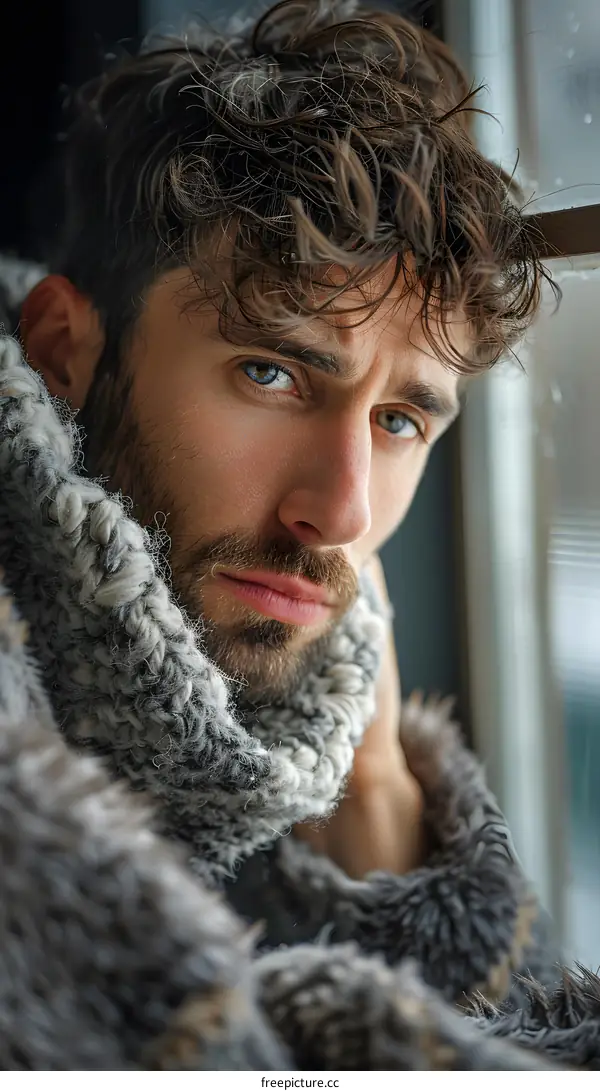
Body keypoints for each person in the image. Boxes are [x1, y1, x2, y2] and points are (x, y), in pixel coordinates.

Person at [0, 0, 580, 1070]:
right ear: (62, 352)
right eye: (271, 371)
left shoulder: (288, 749)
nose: (347, 512)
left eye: (400, 419)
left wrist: (369, 787)